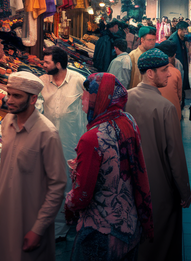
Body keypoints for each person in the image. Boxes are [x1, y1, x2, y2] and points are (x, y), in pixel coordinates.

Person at [65, 73, 153, 260]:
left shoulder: (91, 138)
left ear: (100, 97)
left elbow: (82, 196)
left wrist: (68, 201)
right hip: (129, 225)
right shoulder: (127, 120)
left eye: (87, 93)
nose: (82, 98)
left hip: (100, 234)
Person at [0, 72, 67, 261]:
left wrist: (38, 229)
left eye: (17, 96)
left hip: (29, 224)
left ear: (33, 99)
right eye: (9, 94)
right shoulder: (7, 122)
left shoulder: (47, 134)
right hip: (4, 219)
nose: (10, 100)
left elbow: (57, 186)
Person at [126, 49, 191, 261]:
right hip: (159, 186)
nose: (169, 74)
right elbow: (175, 156)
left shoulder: (125, 99)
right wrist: (184, 192)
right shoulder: (166, 107)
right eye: (164, 71)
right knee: (163, 240)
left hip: (129, 182)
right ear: (151, 73)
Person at [40, 46, 87, 240]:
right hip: (47, 143)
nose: (43, 65)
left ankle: (65, 226)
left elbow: (89, 105)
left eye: (46, 62)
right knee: (49, 183)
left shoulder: (79, 81)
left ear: (58, 64)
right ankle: (52, 227)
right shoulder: (42, 82)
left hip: (72, 141)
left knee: (69, 183)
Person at [156, 40, 183, 120]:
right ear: (174, 55)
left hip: (158, 110)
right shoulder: (178, 68)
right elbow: (179, 94)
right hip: (174, 110)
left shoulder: (155, 67)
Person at [168, 21, 190, 105]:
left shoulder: (183, 38)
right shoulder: (173, 40)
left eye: (186, 30)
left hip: (183, 61)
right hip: (176, 65)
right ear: (179, 30)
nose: (186, 32)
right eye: (184, 30)